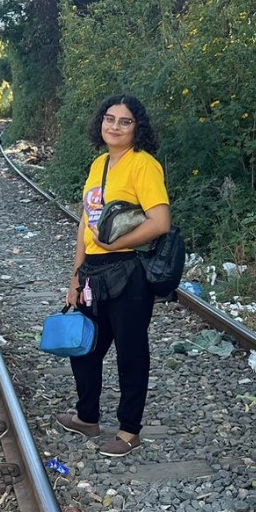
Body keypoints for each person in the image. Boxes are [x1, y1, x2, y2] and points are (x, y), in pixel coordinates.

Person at [56, 94, 171, 457]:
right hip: (94, 271)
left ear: (138, 128)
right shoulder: (99, 165)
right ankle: (87, 417)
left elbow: (160, 222)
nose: (115, 127)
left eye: (124, 121)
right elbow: (85, 226)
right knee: (85, 347)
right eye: (110, 119)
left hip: (128, 272)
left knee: (130, 352)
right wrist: (75, 276)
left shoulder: (144, 165)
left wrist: (114, 245)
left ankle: (128, 430)